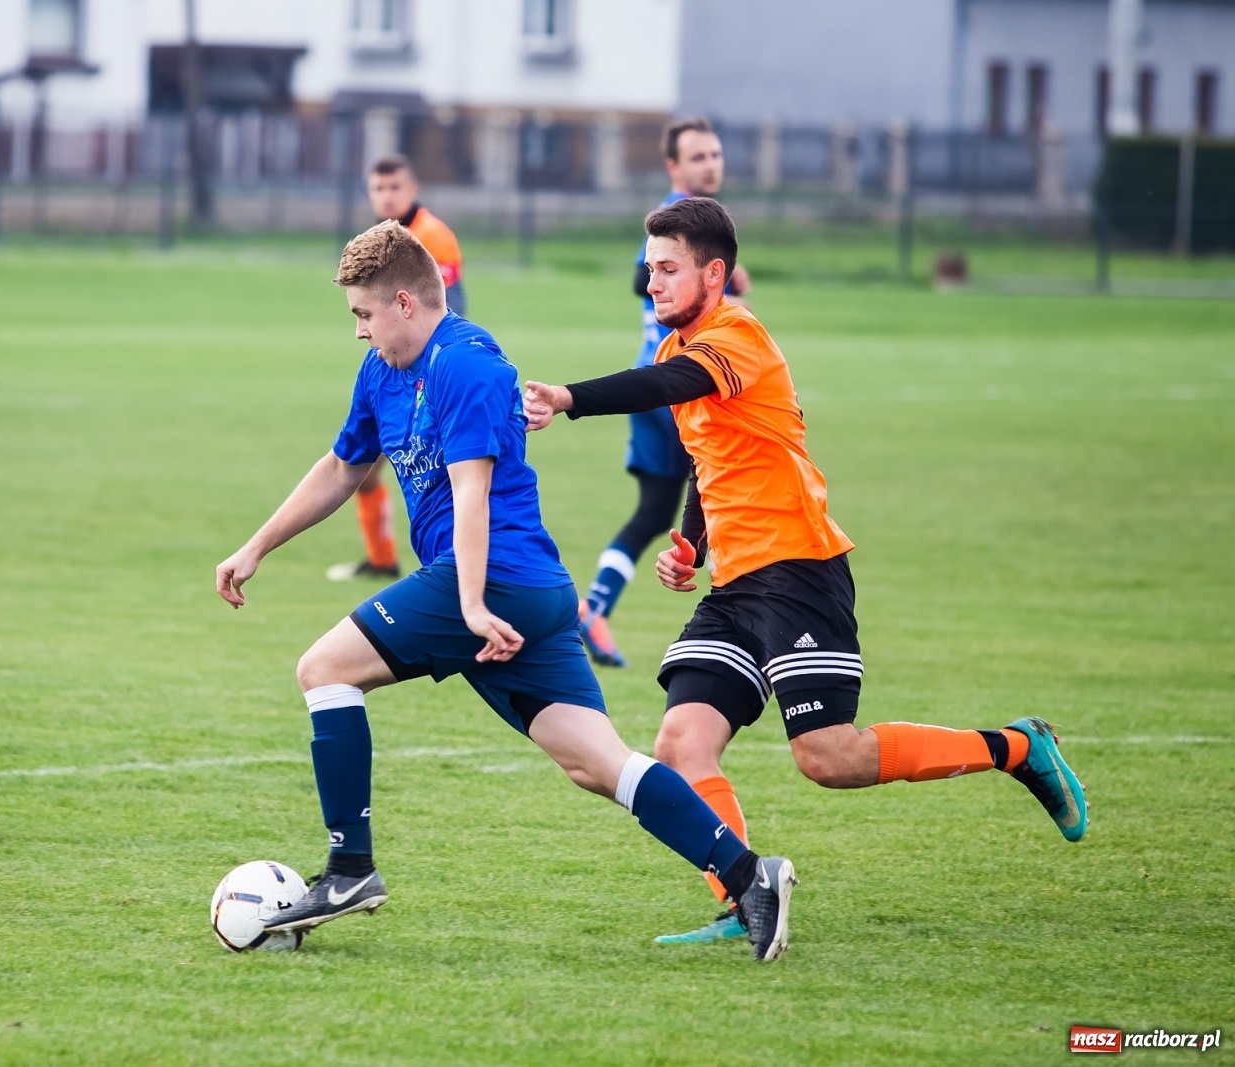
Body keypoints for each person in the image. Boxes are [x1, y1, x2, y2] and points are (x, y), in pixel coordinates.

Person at [216, 220, 797, 961]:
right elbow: (341, 467)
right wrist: (255, 545)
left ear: (403, 301)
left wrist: (468, 604)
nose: (359, 332)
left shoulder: (468, 366)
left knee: (324, 669)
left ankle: (350, 868)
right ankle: (750, 875)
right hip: (516, 591)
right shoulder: (384, 371)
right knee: (597, 761)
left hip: (498, 582)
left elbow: (472, 490)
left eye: (363, 315)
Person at [524, 197, 1088, 944]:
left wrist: (567, 399)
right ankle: (744, 894)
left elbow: (666, 390)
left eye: (667, 269)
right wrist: (692, 543)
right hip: (735, 585)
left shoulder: (738, 336)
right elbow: (707, 458)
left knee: (828, 757)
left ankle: (1017, 746)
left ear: (713, 272)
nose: (651, 283)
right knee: (680, 744)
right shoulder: (675, 351)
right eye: (647, 269)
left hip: (798, 569)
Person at [579, 118, 750, 669]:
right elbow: (638, 280)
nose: (711, 165)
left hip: (659, 382)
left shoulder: (700, 225)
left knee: (656, 511)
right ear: (674, 166)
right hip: (677, 387)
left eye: (716, 154)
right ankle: (743, 631)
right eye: (698, 156)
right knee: (723, 495)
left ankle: (594, 607)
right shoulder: (675, 217)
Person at [326, 155, 467, 584]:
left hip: (428, 378)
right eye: (378, 189)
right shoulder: (379, 241)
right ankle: (384, 559)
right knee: (362, 469)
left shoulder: (431, 239)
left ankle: (458, 570)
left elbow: (442, 312)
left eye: (394, 188)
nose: (386, 197)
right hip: (394, 373)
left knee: (446, 479)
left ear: (412, 188)